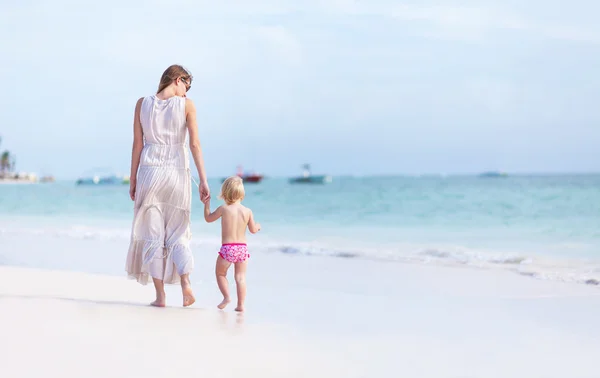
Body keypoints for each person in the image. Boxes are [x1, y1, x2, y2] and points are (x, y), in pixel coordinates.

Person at [125, 64, 210, 307]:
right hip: (177, 175)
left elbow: (137, 145)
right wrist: (203, 180)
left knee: (152, 235)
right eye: (187, 85)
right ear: (177, 79)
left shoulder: (142, 104)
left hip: (149, 174)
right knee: (178, 234)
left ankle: (160, 297)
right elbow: (195, 145)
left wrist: (133, 180)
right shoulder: (187, 106)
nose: (187, 92)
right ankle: (186, 284)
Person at [203, 176, 261, 312]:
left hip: (228, 248)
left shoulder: (224, 209)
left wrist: (206, 204)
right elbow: (253, 230)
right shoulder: (247, 211)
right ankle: (241, 305)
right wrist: (258, 226)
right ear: (242, 193)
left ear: (225, 193)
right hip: (242, 249)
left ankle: (227, 297)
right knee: (240, 278)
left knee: (220, 273)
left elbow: (208, 218)